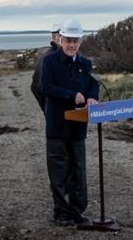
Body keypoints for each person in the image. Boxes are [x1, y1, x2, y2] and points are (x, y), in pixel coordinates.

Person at [40, 18, 100, 226]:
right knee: (59, 172)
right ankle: (61, 213)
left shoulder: (85, 64)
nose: (72, 44)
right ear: (60, 39)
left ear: (80, 42)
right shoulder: (49, 62)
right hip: (57, 126)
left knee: (78, 169)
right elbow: (45, 87)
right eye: (68, 40)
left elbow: (93, 84)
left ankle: (77, 210)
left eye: (76, 40)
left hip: (78, 127)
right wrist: (70, 95)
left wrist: (92, 97)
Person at [29, 23, 61, 112]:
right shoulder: (46, 59)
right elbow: (35, 87)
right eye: (60, 36)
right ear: (54, 37)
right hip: (54, 111)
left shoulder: (75, 57)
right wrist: (46, 108)